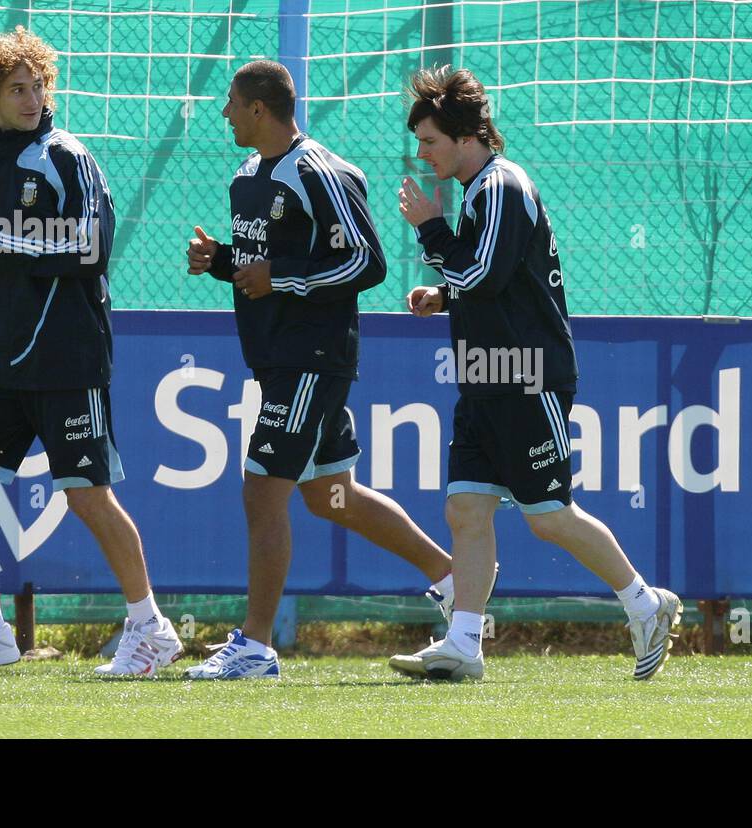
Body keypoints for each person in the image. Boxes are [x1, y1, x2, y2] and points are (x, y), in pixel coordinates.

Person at [389, 66, 682, 681]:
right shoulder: (481, 190)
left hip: (527, 374)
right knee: (466, 509)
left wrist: (431, 230)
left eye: (430, 141)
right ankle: (464, 643)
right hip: (484, 372)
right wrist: (444, 297)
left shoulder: (500, 185)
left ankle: (645, 603)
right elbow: (490, 282)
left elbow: (483, 276)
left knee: (547, 516)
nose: (422, 153)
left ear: (467, 136)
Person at [0, 27, 182, 676]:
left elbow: (91, 251)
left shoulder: (67, 159)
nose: (32, 99)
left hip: (66, 359)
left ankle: (150, 628)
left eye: (38, 87)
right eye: (16, 90)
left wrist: (1, 242)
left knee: (87, 496)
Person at [182, 60, 460, 679]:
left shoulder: (322, 172)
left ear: (259, 108)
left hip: (311, 359)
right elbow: (265, 264)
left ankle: (254, 647)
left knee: (261, 490)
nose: (224, 113)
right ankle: (453, 577)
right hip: (277, 358)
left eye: (231, 102)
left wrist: (279, 276)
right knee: (331, 497)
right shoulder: (245, 177)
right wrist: (223, 260)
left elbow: (367, 263)